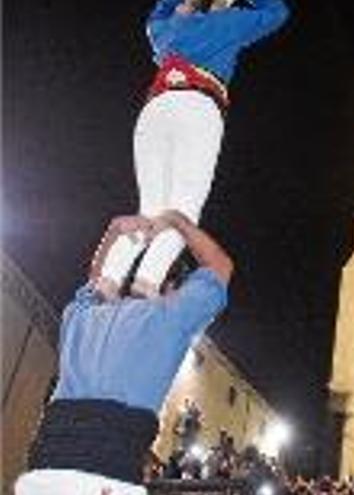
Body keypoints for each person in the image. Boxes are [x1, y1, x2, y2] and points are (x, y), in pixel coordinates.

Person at [15, 210, 233, 494]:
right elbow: (221, 267)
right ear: (170, 289)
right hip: (104, 477)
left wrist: (116, 231)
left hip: (45, 472)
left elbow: (98, 281)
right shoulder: (168, 319)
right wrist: (178, 221)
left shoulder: (79, 317)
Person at [97, 0, 290, 300]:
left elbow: (158, 13)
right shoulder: (229, 22)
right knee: (183, 209)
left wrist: (181, 4)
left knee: (149, 209)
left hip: (156, 108)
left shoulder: (165, 29)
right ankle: (146, 285)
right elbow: (277, 12)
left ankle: (108, 282)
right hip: (198, 105)